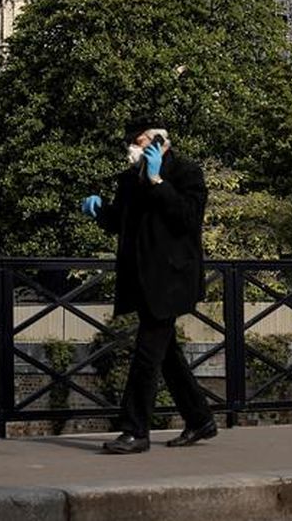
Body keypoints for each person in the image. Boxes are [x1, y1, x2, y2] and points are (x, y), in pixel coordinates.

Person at [81, 116, 217, 454]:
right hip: (141, 279)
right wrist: (99, 210)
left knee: (146, 354)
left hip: (171, 280)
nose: (131, 148)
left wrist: (158, 182)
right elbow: (120, 222)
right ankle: (200, 419)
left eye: (138, 141)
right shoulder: (130, 179)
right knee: (166, 355)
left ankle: (135, 430)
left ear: (158, 142)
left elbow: (187, 218)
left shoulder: (186, 172)